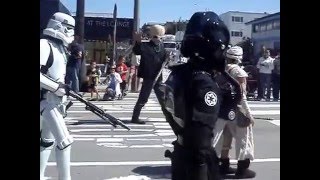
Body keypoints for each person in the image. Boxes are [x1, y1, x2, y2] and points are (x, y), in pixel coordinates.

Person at [162, 11, 230, 180]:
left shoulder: (179, 73)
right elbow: (201, 143)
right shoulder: (204, 84)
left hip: (180, 153)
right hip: (195, 165)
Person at [40, 12, 75, 180]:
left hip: (54, 101)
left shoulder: (59, 48)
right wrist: (56, 87)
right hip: (45, 100)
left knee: (47, 141)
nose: (71, 34)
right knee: (65, 141)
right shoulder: (44, 45)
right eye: (69, 29)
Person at [212, 46, 256, 179]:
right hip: (236, 110)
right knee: (244, 139)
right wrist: (249, 114)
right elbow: (242, 96)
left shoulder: (220, 70)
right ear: (239, 58)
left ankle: (221, 165)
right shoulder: (239, 72)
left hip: (221, 109)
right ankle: (242, 169)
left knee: (221, 137)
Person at [131, 24, 168, 124]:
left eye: (160, 37)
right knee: (143, 98)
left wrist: (168, 59)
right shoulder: (145, 45)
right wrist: (138, 42)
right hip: (149, 77)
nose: (158, 39)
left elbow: (165, 60)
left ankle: (170, 117)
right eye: (156, 37)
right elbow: (136, 51)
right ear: (152, 36)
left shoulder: (162, 48)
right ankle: (135, 117)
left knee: (163, 98)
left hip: (158, 77)